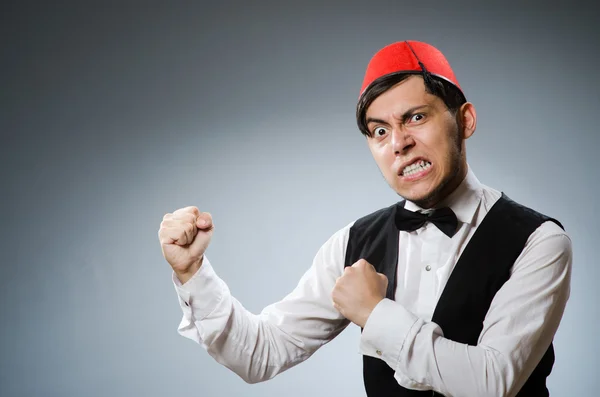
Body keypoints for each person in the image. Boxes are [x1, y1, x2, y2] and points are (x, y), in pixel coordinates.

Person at [158, 40, 572, 397]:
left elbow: (494, 382)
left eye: (416, 117)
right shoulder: (353, 243)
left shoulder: (540, 241)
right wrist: (193, 272)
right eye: (379, 131)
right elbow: (262, 353)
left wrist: (376, 315)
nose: (399, 143)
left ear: (464, 120)